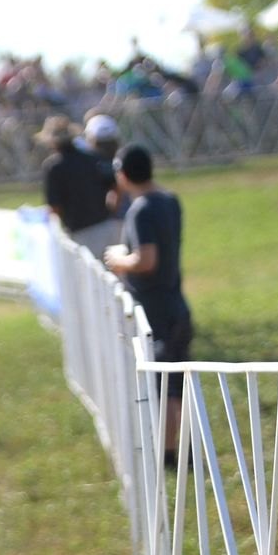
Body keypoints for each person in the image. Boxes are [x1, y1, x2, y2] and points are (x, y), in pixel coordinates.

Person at [104, 144, 193, 468]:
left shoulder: (140, 209)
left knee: (164, 388)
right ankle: (187, 448)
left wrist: (119, 260)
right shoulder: (169, 200)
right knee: (179, 386)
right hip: (176, 304)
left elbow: (146, 260)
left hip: (156, 310)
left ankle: (169, 455)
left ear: (123, 174)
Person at [36, 114, 118, 262]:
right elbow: (114, 186)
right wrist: (112, 209)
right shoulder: (92, 157)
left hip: (79, 232)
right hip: (106, 225)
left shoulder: (53, 167)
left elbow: (54, 206)